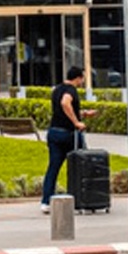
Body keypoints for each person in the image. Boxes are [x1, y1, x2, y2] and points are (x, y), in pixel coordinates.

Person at [40, 66, 94, 214]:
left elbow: (61, 110)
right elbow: (65, 103)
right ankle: (87, 198)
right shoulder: (71, 90)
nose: (82, 81)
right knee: (83, 164)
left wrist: (82, 114)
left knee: (53, 167)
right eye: (82, 78)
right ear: (78, 78)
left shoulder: (57, 89)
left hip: (54, 132)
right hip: (68, 135)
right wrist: (77, 122)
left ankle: (46, 201)